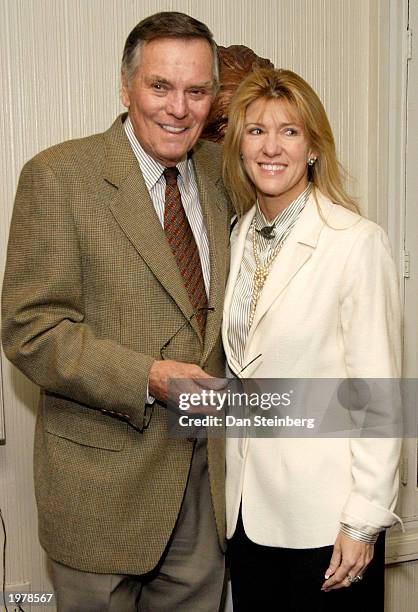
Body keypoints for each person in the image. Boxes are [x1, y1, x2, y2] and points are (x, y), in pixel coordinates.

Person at [1, 11, 231, 612]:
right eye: (161, 87)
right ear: (126, 87)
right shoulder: (58, 176)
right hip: (98, 496)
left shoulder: (221, 171)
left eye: (196, 90)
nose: (179, 108)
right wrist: (148, 378)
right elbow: (30, 330)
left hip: (205, 490)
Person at [222, 68, 402, 611]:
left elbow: (380, 395)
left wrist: (364, 520)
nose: (271, 147)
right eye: (256, 131)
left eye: (289, 132)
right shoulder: (237, 234)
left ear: (314, 147)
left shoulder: (355, 242)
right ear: (238, 146)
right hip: (246, 514)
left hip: (328, 524)